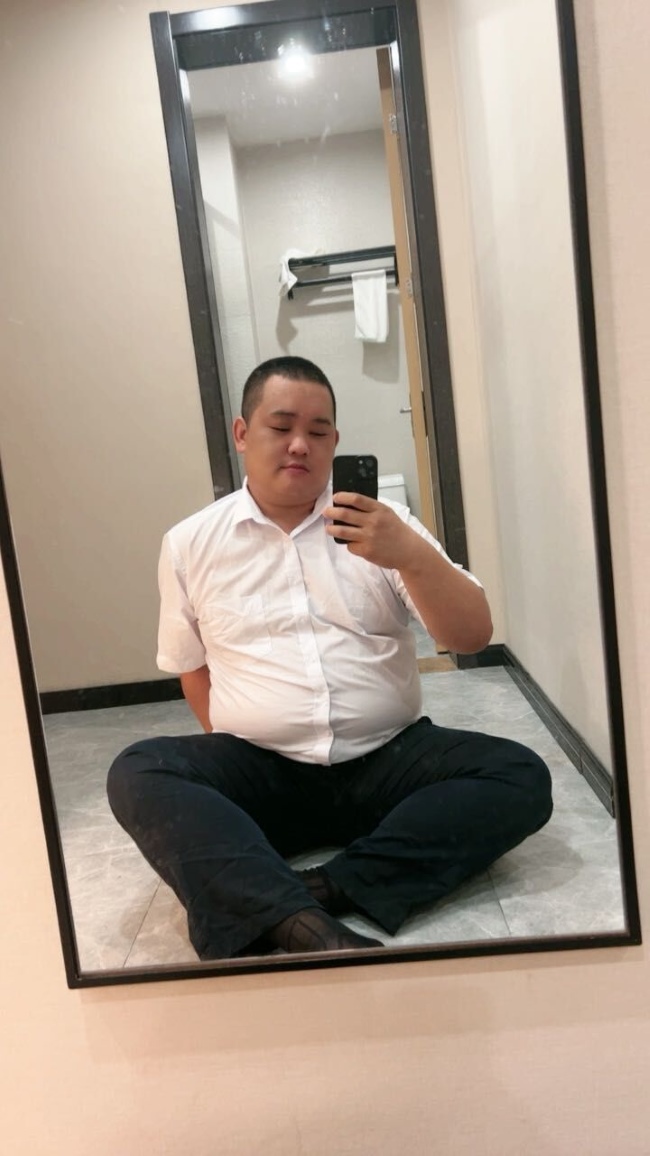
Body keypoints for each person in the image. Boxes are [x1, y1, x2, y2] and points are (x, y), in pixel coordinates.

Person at [107, 355, 553, 960]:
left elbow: (472, 636)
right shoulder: (190, 543)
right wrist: (236, 766)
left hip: (387, 762)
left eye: (318, 432)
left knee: (519, 774)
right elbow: (192, 666)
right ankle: (313, 921)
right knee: (139, 770)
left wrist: (411, 556)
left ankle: (303, 893)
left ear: (335, 443)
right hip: (265, 769)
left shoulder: (387, 528)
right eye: (281, 426)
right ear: (242, 433)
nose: (300, 445)